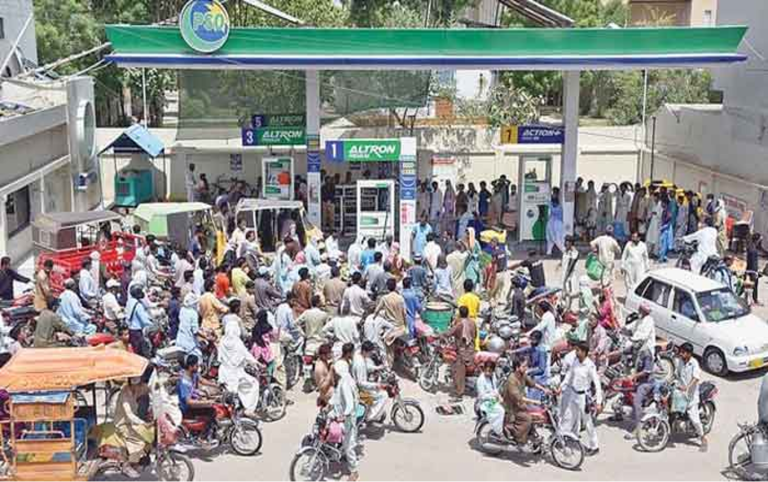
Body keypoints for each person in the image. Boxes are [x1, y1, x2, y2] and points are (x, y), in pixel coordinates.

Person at [559, 342, 603, 455]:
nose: (576, 353)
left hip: (583, 396)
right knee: (568, 416)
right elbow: (569, 376)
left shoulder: (590, 366)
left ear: (584, 352)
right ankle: (562, 439)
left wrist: (599, 402)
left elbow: (597, 384)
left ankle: (594, 446)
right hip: (573, 394)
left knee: (587, 422)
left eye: (578, 351)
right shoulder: (575, 362)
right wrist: (561, 387)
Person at [218, 305, 261, 416]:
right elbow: (247, 356)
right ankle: (249, 409)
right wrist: (257, 363)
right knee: (253, 384)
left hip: (223, 372)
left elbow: (219, 358)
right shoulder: (237, 342)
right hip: (236, 373)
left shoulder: (222, 341)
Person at [112, 377, 154, 478]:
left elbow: (152, 390)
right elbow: (129, 414)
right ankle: (126, 465)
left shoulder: (138, 389)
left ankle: (138, 461)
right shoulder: (124, 393)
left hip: (131, 421)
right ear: (131, 384)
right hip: (122, 423)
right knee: (138, 440)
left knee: (148, 435)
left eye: (139, 385)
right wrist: (142, 423)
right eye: (136, 385)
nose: (138, 388)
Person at [502, 357, 548, 446]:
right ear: (517, 368)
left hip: (520, 404)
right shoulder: (512, 380)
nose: (526, 368)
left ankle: (531, 435)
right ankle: (517, 437)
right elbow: (518, 397)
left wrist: (544, 390)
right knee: (527, 419)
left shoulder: (522, 375)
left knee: (537, 414)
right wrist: (534, 401)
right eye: (524, 366)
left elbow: (532, 383)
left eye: (526, 366)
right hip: (512, 407)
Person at [332, 358, 360, 482]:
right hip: (345, 416)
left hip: (348, 418)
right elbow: (337, 397)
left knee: (349, 445)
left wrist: (343, 415)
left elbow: (349, 404)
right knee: (344, 439)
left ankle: (354, 472)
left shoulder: (345, 384)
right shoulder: (345, 379)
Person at [676, 342, 707, 451]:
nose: (681, 354)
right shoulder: (680, 361)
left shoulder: (694, 363)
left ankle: (703, 438)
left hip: (691, 396)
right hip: (680, 393)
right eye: (680, 351)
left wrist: (687, 387)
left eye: (683, 352)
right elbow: (676, 374)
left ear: (689, 354)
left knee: (694, 419)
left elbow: (696, 378)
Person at [441, 306, 477, 399]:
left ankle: (459, 393)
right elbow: (475, 335)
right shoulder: (472, 323)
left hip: (462, 351)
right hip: (471, 349)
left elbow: (449, 333)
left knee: (458, 371)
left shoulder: (459, 324)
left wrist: (439, 335)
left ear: (460, 314)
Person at [352, 341, 388, 423]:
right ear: (364, 351)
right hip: (361, 390)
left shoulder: (359, 356)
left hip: (362, 385)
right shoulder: (359, 363)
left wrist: (377, 368)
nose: (370, 354)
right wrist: (376, 385)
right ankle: (370, 417)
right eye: (370, 352)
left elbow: (366, 367)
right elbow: (361, 383)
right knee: (383, 395)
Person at [375, 278, 407, 365]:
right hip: (401, 327)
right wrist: (405, 325)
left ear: (387, 287)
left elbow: (377, 310)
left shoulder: (385, 298)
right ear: (395, 286)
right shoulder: (400, 298)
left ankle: (389, 367)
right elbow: (404, 313)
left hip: (391, 329)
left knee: (388, 348)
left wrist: (373, 318)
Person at [477, 360, 505, 436]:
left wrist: (499, 396)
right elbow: (482, 396)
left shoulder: (493, 377)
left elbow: (495, 388)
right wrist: (493, 396)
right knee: (501, 411)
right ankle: (498, 431)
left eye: (490, 371)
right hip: (485, 403)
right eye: (487, 371)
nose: (488, 373)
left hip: (493, 400)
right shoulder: (481, 380)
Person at [126, 285, 153, 358]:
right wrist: (152, 324)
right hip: (137, 331)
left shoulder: (129, 302)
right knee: (140, 353)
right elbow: (144, 320)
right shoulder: (138, 305)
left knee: (135, 350)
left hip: (131, 330)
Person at [176, 292, 202, 359]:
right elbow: (195, 331)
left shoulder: (182, 310)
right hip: (189, 342)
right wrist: (205, 336)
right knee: (199, 356)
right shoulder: (193, 313)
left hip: (179, 340)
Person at [559, 235, 579, 310]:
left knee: (569, 292)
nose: (566, 243)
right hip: (564, 275)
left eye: (568, 242)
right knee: (563, 292)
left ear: (571, 243)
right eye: (565, 241)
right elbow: (564, 260)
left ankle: (569, 308)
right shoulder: (565, 251)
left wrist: (566, 277)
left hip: (570, 276)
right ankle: (564, 307)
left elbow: (571, 266)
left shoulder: (574, 252)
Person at [546, 189, 565, 255]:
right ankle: (549, 252)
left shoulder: (559, 207)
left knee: (557, 239)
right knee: (550, 239)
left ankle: (564, 251)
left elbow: (554, 210)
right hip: (552, 223)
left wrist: (549, 204)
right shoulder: (553, 205)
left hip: (557, 224)